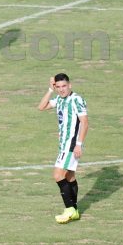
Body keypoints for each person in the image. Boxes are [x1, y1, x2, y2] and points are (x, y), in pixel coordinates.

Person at [37, 73, 88, 224]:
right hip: (64, 144)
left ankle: (69, 209)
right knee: (70, 176)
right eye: (58, 87)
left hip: (71, 144)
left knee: (58, 175)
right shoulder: (59, 99)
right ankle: (75, 211)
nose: (61, 89)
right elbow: (41, 107)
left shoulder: (76, 99)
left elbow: (84, 123)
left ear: (70, 85)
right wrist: (49, 89)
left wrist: (78, 144)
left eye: (64, 86)